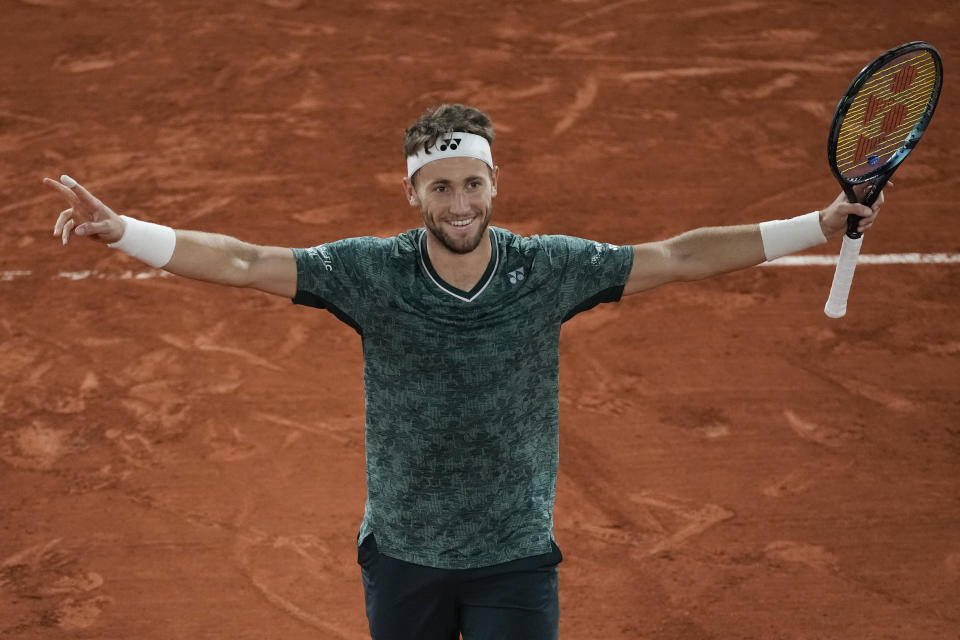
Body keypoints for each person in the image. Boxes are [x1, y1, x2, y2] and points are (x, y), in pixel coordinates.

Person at [45, 104, 883, 640]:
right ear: (413, 193)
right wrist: (126, 232)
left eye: (472, 183)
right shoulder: (367, 274)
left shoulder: (546, 268)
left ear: (493, 184)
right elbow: (240, 262)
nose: (459, 204)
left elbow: (679, 254)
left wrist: (816, 222)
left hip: (515, 557)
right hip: (403, 554)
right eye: (439, 186)